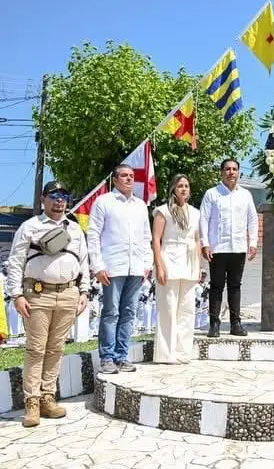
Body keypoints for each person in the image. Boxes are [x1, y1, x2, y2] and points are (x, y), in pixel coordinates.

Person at [7, 180, 89, 427]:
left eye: (63, 195)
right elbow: (15, 262)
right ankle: (31, 402)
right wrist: (16, 295)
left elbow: (84, 261)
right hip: (38, 295)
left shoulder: (74, 229)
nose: (59, 200)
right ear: (43, 199)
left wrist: (84, 291)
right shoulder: (29, 227)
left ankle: (47, 397)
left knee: (56, 349)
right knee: (36, 349)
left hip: (68, 294)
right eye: (54, 195)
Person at [88, 164, 152, 374]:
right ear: (114, 180)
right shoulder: (103, 202)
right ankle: (107, 357)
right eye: (124, 176)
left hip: (136, 268)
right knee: (111, 313)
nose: (129, 179)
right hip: (112, 267)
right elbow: (93, 234)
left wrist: (147, 264)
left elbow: (146, 237)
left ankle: (121, 356)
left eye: (132, 176)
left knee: (129, 312)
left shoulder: (140, 205)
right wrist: (97, 265)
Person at [199, 158, 258, 337]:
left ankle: (235, 324)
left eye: (234, 169)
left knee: (235, 286)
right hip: (217, 248)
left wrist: (253, 243)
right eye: (227, 169)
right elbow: (203, 219)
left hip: (238, 247)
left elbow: (252, 219)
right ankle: (214, 324)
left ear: (239, 172)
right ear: (221, 172)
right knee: (216, 286)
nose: (231, 172)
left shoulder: (245, 195)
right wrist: (205, 243)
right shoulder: (212, 194)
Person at [152, 174, 201, 363]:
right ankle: (166, 354)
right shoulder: (163, 211)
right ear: (173, 188)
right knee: (168, 308)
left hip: (189, 262)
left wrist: (198, 266)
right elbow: (156, 239)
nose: (184, 189)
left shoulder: (195, 213)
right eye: (180, 186)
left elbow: (196, 239)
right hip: (169, 259)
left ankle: (183, 352)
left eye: (187, 186)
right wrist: (159, 266)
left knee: (187, 310)